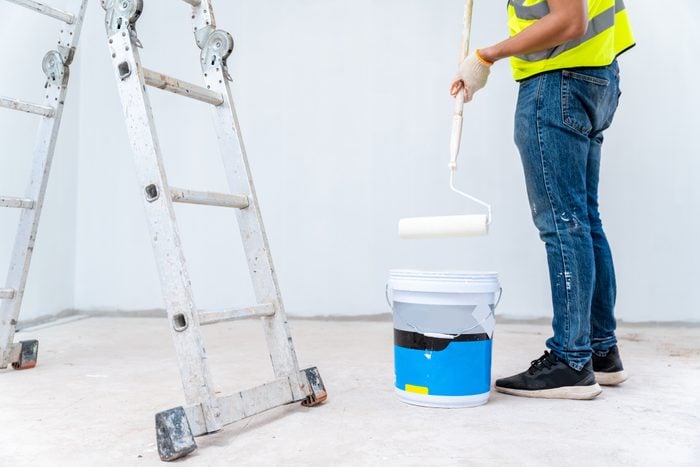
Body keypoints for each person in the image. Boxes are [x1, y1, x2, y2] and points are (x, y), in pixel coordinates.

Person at [450, 0, 634, 400]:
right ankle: (600, 351)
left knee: (564, 224)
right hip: (596, 76)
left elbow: (569, 20)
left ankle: (571, 361)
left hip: (557, 85)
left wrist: (486, 56)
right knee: (583, 218)